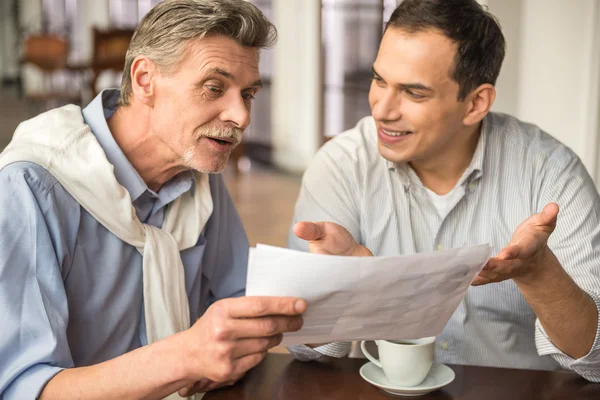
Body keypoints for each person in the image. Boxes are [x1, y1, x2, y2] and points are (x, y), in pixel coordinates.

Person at [0, 1, 310, 399]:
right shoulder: (29, 188)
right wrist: (185, 359)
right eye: (215, 88)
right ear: (145, 79)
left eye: (247, 94)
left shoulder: (196, 171)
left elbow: (239, 299)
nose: (241, 116)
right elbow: (23, 389)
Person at [287, 0, 600, 381]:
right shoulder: (341, 166)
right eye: (379, 80)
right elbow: (303, 349)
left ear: (475, 103)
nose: (382, 109)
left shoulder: (550, 172)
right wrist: (340, 285)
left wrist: (540, 275)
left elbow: (596, 361)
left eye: (413, 93)